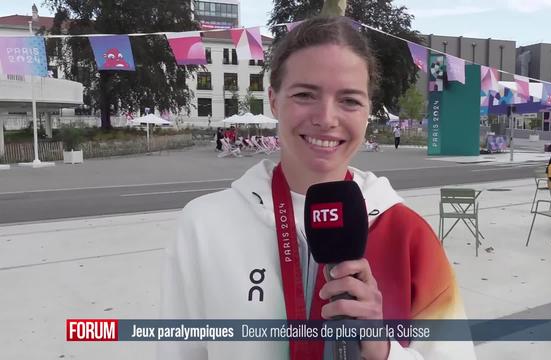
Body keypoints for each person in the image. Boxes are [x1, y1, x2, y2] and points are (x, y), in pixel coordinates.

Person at [159, 17, 475, 360]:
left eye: (350, 100)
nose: (326, 118)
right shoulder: (205, 225)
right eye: (305, 94)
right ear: (274, 100)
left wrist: (384, 351)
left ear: (369, 110)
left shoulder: (409, 235)